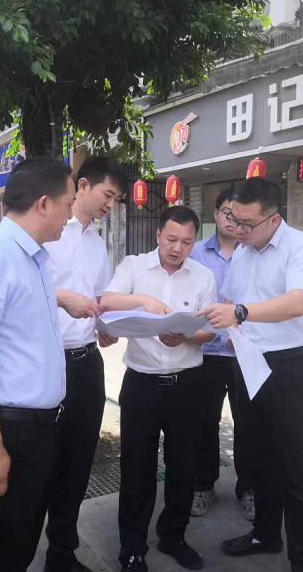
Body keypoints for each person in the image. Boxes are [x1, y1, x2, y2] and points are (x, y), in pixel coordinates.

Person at [0, 157, 81, 572]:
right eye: (68, 203)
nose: (70, 215)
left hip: (38, 431)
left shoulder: (34, 259)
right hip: (9, 433)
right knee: (4, 556)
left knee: (21, 546)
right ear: (44, 203)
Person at [198, 178, 303, 572]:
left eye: (247, 224)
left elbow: (297, 302)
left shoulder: (301, 248)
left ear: (274, 219)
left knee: (296, 465)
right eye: (233, 219)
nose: (238, 229)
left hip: (289, 367)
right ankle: (266, 535)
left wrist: (241, 313)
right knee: (259, 457)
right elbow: (230, 301)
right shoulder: (243, 251)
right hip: (247, 362)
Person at [101, 206, 217, 572]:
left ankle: (173, 537)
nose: (177, 248)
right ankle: (132, 548)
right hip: (142, 384)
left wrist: (186, 337)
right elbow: (107, 301)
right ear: (158, 235)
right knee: (137, 469)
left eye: (186, 242)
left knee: (183, 467)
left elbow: (210, 330)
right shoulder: (134, 267)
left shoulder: (203, 276)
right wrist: (144, 301)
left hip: (188, 386)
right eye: (171, 239)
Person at [43, 157, 127, 572]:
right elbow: (25, 288)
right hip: (47, 363)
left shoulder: (96, 242)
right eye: (108, 194)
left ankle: (61, 555)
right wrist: (62, 298)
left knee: (78, 462)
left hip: (86, 363)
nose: (111, 204)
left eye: (117, 199)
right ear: (83, 185)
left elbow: (99, 297)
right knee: (40, 461)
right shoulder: (47, 234)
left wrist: (105, 326)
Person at [188, 187, 253, 521]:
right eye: (227, 212)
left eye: (238, 214)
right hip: (206, 353)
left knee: (248, 423)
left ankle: (249, 488)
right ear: (215, 214)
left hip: (244, 356)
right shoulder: (195, 253)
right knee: (203, 422)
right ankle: (203, 485)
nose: (232, 219)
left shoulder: (254, 252)